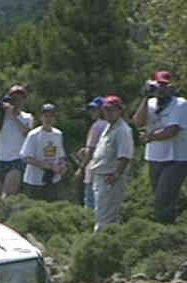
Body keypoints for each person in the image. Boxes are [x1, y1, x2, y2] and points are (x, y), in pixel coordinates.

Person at [132, 70, 187, 223]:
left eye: (164, 85)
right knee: (159, 197)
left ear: (171, 87)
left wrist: (149, 137)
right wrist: (145, 97)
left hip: (176, 159)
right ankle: (168, 226)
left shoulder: (180, 104)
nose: (161, 89)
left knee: (163, 198)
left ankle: (165, 228)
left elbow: (172, 130)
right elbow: (138, 122)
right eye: (158, 85)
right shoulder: (150, 103)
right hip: (155, 157)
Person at [88, 96, 134, 231]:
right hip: (100, 176)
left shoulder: (122, 130)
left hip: (110, 178)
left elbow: (124, 156)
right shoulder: (108, 127)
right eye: (106, 109)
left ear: (120, 111)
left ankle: (101, 239)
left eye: (112, 110)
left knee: (105, 216)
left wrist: (116, 174)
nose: (108, 113)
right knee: (100, 212)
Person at [0, 84, 34, 199]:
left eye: (20, 99)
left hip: (16, 160)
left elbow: (27, 134)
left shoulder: (27, 117)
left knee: (8, 196)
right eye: (14, 99)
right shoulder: (1, 117)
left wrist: (13, 115)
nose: (17, 102)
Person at [19, 103, 67, 201]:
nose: (48, 119)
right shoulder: (33, 135)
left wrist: (62, 166)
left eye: (51, 116)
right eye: (46, 116)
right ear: (41, 118)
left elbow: (61, 155)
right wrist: (47, 166)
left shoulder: (58, 134)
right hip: (35, 181)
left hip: (53, 179)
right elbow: (25, 157)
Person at [75, 97, 108, 209]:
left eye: (95, 110)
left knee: (90, 204)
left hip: (93, 171)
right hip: (106, 170)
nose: (91, 112)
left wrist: (81, 168)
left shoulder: (97, 126)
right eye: (91, 110)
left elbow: (91, 150)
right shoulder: (111, 125)